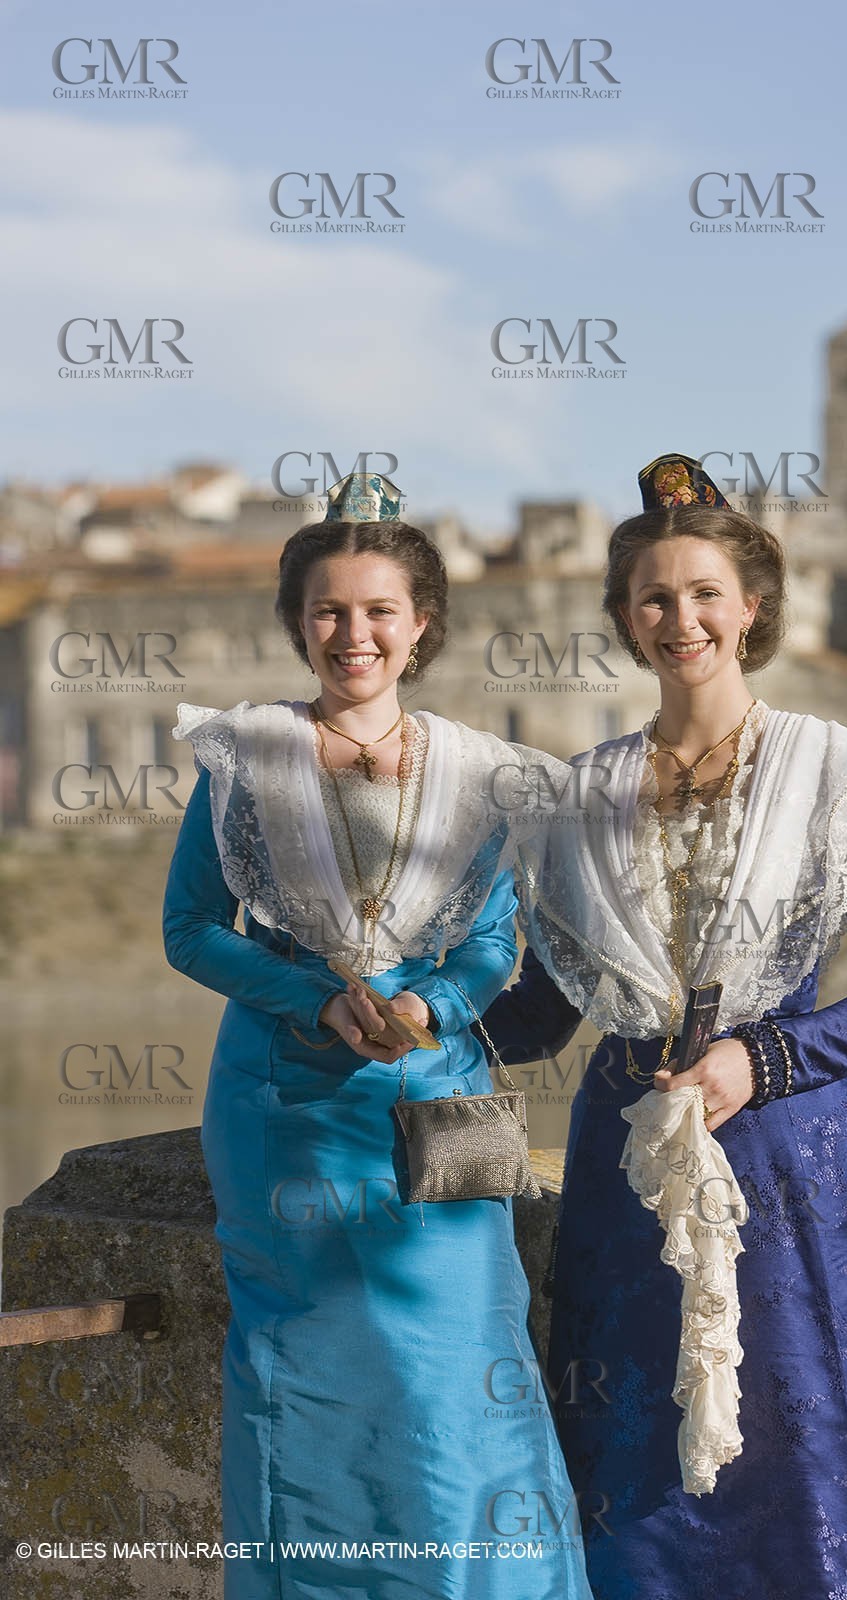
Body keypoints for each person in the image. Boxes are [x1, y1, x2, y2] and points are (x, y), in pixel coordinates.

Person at [486, 454, 847, 1600]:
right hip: (627, 1169)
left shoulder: (834, 770)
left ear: (751, 605)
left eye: (704, 593)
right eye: (653, 597)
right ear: (622, 616)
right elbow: (545, 1006)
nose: (680, 619)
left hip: (789, 1160)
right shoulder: (578, 796)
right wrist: (406, 1015)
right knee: (639, 1454)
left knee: (798, 1441)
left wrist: (758, 1058)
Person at [162, 472, 594, 1600]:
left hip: (429, 1105)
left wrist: (430, 1007)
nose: (352, 633)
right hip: (284, 1110)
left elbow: (496, 946)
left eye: (377, 611)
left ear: (421, 625)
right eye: (328, 610)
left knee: (459, 1369)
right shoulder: (244, 757)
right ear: (298, 621)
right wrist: (310, 997)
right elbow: (190, 930)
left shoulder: (481, 773)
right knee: (302, 1380)